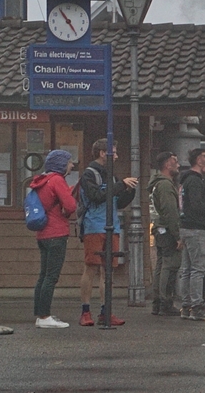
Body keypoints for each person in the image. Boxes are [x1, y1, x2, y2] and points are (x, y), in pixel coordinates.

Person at [77, 138, 137, 327]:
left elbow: (117, 202)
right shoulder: (88, 175)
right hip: (94, 226)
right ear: (103, 153)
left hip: (112, 226)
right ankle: (85, 311)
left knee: (108, 271)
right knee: (91, 268)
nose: (117, 156)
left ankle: (106, 311)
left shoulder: (111, 176)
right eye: (114, 152)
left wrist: (129, 191)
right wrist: (120, 186)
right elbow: (96, 196)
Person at [30, 150, 77, 328]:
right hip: (56, 233)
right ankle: (44, 317)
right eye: (69, 162)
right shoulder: (57, 180)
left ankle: (40, 314)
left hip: (42, 233)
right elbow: (71, 205)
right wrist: (69, 193)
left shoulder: (41, 180)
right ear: (61, 164)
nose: (72, 165)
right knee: (51, 277)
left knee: (43, 276)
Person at [176, 148, 205, 321]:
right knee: (198, 269)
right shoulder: (195, 182)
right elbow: (196, 206)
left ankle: (186, 306)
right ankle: (197, 306)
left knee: (186, 269)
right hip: (196, 229)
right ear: (198, 160)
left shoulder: (185, 181)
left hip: (185, 227)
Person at [148, 151, 183, 316]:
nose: (178, 165)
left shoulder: (156, 183)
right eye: (175, 161)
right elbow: (171, 212)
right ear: (167, 164)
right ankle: (165, 302)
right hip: (167, 230)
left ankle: (157, 302)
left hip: (159, 228)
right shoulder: (165, 185)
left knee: (161, 266)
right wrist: (178, 236)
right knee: (170, 266)